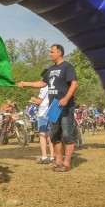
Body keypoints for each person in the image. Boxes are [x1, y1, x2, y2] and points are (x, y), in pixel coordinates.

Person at [16, 44, 78, 172]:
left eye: (52, 52)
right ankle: (58, 162)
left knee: (67, 134)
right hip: (53, 106)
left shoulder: (67, 66)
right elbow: (42, 83)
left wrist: (66, 98)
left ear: (59, 52)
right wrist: (25, 84)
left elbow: (74, 83)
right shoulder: (50, 70)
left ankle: (66, 164)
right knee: (54, 134)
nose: (50, 54)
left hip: (66, 105)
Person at [29, 69, 54, 164]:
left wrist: (33, 98)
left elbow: (39, 101)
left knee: (42, 135)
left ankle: (44, 157)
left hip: (43, 112)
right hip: (52, 111)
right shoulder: (54, 85)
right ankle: (52, 156)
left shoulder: (44, 87)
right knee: (51, 135)